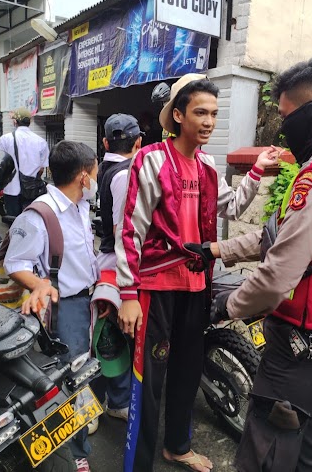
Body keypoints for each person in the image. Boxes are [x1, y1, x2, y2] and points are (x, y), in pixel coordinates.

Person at [198, 58, 312, 472]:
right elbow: (273, 237)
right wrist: (216, 250)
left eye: (287, 117)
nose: (283, 128)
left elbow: (277, 275)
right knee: (309, 453)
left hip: (302, 349)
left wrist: (226, 307)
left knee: (265, 454)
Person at [116, 73, 280, 472]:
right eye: (200, 112)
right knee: (149, 379)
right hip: (155, 287)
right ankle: (137, 465)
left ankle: (177, 446)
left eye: (214, 114)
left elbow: (232, 208)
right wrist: (127, 295)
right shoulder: (151, 159)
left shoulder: (207, 165)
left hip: (196, 284)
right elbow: (130, 230)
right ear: (178, 115)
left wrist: (256, 171)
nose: (208, 121)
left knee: (188, 371)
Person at [4, 140, 101, 472]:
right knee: (66, 382)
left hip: (85, 301)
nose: (96, 178)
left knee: (79, 375)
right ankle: (75, 456)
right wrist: (40, 283)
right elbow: (15, 262)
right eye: (95, 171)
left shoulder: (80, 206)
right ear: (83, 177)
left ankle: (72, 445)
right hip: (63, 310)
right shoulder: (40, 213)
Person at [89, 114, 143, 432]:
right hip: (119, 265)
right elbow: (125, 232)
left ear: (107, 142)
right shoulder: (125, 174)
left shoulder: (105, 168)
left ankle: (115, 400)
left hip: (108, 260)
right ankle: (100, 402)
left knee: (112, 336)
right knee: (107, 337)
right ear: (138, 143)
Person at [0, 108, 49, 216]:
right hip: (32, 190)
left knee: (13, 222)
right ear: (29, 122)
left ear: (15, 121)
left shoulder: (5, 139)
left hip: (11, 189)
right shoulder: (41, 141)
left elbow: (0, 164)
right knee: (30, 221)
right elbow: (41, 169)